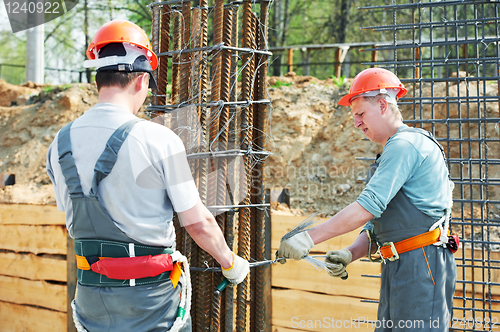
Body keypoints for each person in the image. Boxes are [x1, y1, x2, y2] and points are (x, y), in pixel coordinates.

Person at [46, 20, 249, 332]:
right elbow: (198, 223)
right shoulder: (158, 139)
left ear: (100, 77)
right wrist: (230, 263)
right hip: (148, 302)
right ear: (141, 80)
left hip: (90, 303)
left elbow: (76, 216)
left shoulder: (59, 144)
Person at [277, 68, 457, 331]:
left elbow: (367, 207)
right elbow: (381, 224)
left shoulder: (404, 146)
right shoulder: (394, 149)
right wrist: (351, 252)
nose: (356, 123)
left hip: (421, 266)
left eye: (360, 114)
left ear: (382, 105)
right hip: (403, 266)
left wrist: (308, 238)